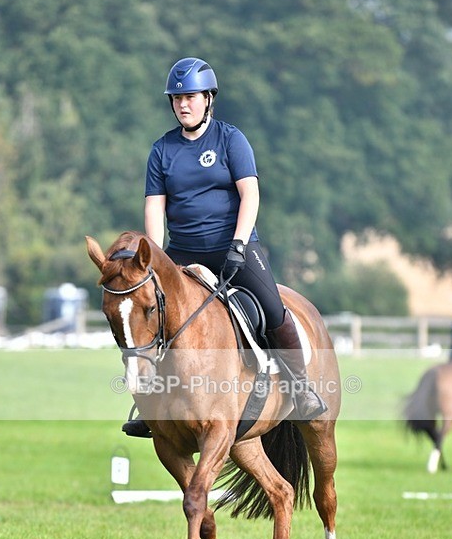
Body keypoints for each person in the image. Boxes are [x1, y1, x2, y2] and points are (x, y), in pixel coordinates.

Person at [124, 56, 326, 438]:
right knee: (154, 313)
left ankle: (302, 389)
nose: (183, 104)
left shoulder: (230, 139)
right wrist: (155, 258)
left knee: (273, 309)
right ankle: (148, 403)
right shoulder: (162, 150)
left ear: (208, 99)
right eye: (177, 98)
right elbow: (154, 206)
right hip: (182, 252)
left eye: (190, 97)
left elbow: (250, 194)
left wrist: (238, 243)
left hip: (234, 246)